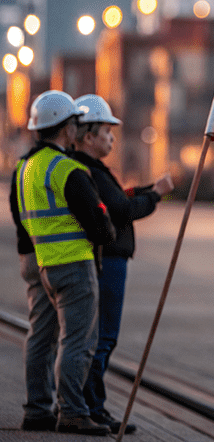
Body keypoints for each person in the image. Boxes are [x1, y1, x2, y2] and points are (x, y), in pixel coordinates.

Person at [10, 90, 116, 435]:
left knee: (40, 338)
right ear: (66, 128)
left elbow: (19, 215)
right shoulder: (67, 168)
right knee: (77, 341)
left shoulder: (24, 168)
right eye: (73, 123)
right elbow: (98, 222)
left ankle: (37, 409)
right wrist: (107, 232)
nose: (75, 129)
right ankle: (72, 410)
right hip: (74, 264)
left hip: (42, 263)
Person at [71, 94, 174, 435]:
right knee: (102, 338)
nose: (112, 138)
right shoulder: (92, 172)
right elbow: (124, 210)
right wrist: (156, 195)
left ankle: (90, 404)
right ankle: (92, 407)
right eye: (107, 132)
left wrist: (147, 190)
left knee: (96, 337)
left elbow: (121, 198)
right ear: (89, 136)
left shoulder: (93, 171)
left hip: (105, 260)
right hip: (109, 261)